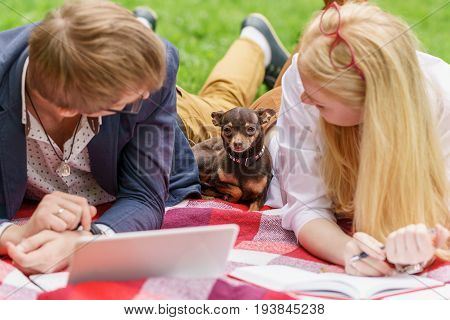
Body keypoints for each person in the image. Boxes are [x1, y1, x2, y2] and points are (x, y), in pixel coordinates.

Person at [0, 0, 200, 274]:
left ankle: (254, 42)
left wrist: (86, 242)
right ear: (67, 110)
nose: (144, 98)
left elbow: (144, 196)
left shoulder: (151, 89)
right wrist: (13, 235)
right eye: (124, 104)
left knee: (226, 103)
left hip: (185, 123)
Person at [260, 0, 450, 276]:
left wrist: (419, 242)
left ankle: (267, 53)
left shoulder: (441, 102)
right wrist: (350, 252)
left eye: (319, 100)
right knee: (216, 111)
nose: (305, 98)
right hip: (273, 123)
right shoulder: (304, 87)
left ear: (372, 104)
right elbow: (305, 205)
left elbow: (438, 215)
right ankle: (258, 46)